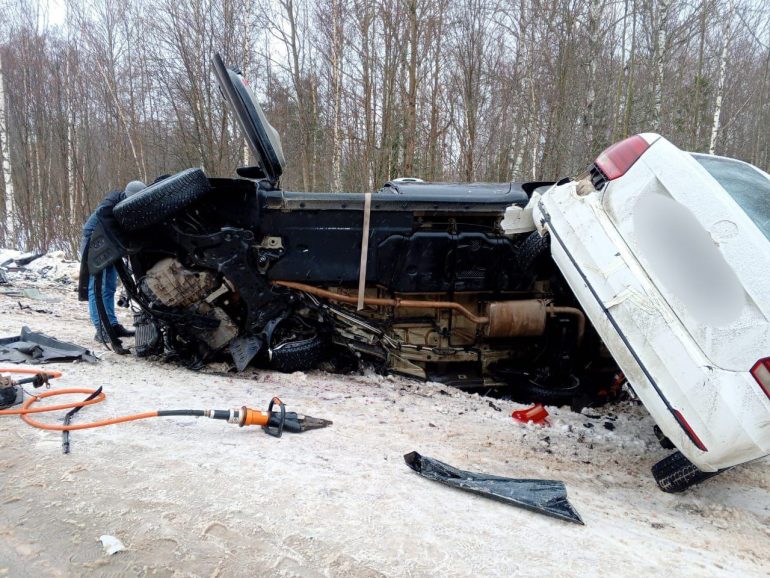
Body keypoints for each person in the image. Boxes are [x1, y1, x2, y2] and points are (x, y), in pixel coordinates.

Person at [81, 180, 146, 343]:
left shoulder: (125, 206)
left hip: (110, 247)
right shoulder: (110, 206)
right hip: (95, 244)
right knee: (96, 287)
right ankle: (101, 328)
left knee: (109, 287)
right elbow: (90, 229)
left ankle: (112, 324)